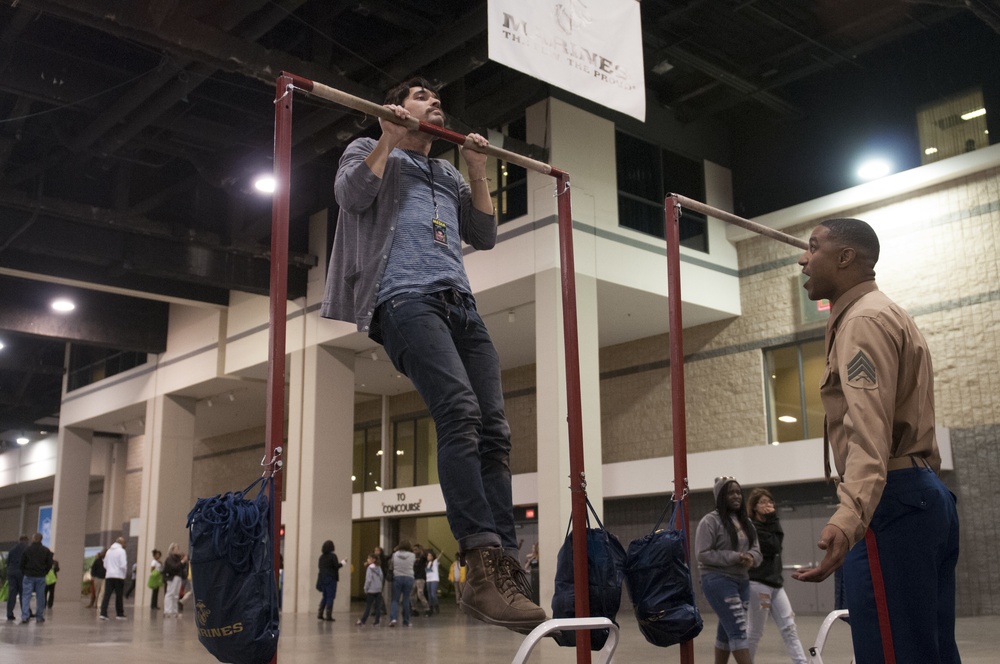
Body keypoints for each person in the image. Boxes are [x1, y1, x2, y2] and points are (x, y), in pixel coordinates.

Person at [320, 75, 545, 634]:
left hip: (460, 303)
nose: (435, 102)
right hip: (402, 299)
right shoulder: (367, 150)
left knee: (494, 428)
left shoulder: (445, 171)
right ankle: (479, 564)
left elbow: (485, 234)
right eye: (423, 96)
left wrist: (475, 172)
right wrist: (387, 139)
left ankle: (506, 568)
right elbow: (350, 198)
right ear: (394, 108)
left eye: (438, 98)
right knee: (460, 412)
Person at [792, 218, 961, 664]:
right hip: (921, 494)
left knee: (894, 653)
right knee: (930, 652)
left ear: (846, 257)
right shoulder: (884, 312)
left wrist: (849, 517)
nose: (802, 259)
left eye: (813, 247)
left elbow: (870, 433)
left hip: (892, 502)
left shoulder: (863, 322)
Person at [695, 477, 762, 664]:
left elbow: (756, 549)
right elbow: (702, 554)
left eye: (738, 492)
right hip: (717, 580)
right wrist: (735, 556)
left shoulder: (746, 522)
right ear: (720, 496)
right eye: (730, 492)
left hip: (742, 580)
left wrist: (751, 557)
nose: (736, 496)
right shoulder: (709, 521)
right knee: (739, 629)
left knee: (726, 632)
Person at [746, 488, 807, 663]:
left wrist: (773, 520)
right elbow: (771, 547)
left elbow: (777, 543)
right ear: (754, 506)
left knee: (789, 628)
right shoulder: (752, 527)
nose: (768, 505)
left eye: (770, 501)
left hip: (776, 584)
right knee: (755, 632)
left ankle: (801, 662)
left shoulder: (771, 524)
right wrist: (773, 520)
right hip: (758, 583)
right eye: (763, 502)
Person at [19, 532, 53, 623]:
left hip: (28, 575)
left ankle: (25, 616)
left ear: (33, 539)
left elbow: (21, 563)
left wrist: (25, 572)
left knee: (26, 596)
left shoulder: (27, 550)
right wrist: (44, 572)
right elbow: (50, 563)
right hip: (40, 576)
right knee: (40, 596)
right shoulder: (46, 550)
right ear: (41, 539)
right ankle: (39, 616)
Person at [388, 540, 416, 627]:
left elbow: (391, 566)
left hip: (397, 577)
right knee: (406, 599)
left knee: (395, 599)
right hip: (409, 577)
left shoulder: (395, 555)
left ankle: (393, 618)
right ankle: (406, 621)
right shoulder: (413, 555)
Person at [100, 536, 128, 620]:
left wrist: (110, 569)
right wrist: (124, 573)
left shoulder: (109, 551)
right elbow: (123, 565)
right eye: (124, 543)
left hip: (109, 576)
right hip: (118, 576)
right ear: (121, 543)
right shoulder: (121, 551)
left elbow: (105, 564)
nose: (125, 544)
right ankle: (119, 614)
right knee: (119, 596)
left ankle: (103, 613)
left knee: (107, 595)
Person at [316, 540, 344, 622]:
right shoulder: (333, 556)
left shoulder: (321, 557)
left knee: (325, 596)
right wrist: (343, 563)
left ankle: (320, 613)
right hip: (331, 578)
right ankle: (328, 615)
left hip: (323, 578)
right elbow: (336, 566)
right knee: (330, 596)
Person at [5, 535, 29, 621]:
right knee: (24, 593)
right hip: (21, 572)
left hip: (11, 572)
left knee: (12, 593)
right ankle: (25, 613)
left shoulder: (12, 549)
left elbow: (7, 562)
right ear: (26, 540)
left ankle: (9, 614)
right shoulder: (27, 548)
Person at [356, 554, 384, 626]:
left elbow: (368, 580)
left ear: (373, 560)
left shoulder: (369, 568)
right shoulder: (379, 567)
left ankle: (363, 620)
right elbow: (381, 577)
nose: (367, 560)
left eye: (369, 558)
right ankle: (377, 621)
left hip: (371, 590)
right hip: (378, 589)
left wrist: (366, 588)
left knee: (368, 606)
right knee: (378, 606)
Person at [162, 543, 187, 618]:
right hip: (172, 578)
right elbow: (174, 567)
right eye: (176, 548)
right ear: (172, 549)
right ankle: (168, 611)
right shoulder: (170, 558)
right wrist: (182, 562)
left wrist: (183, 561)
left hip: (178, 577)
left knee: (176, 595)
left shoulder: (177, 559)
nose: (178, 549)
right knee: (170, 593)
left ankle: (174, 611)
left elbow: (181, 567)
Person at [410, 543, 429, 616]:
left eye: (416, 549)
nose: (414, 551)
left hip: (420, 578)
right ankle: (414, 608)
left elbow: (425, 555)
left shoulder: (422, 557)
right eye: (413, 550)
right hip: (414, 577)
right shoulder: (412, 557)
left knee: (420, 594)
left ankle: (427, 608)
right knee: (412, 594)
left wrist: (421, 550)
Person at [425, 550, 440, 616]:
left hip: (434, 579)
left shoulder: (435, 562)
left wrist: (438, 556)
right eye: (428, 555)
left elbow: (438, 559)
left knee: (433, 594)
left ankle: (436, 605)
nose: (428, 557)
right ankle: (430, 607)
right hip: (428, 580)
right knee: (429, 595)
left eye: (430, 556)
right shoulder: (428, 563)